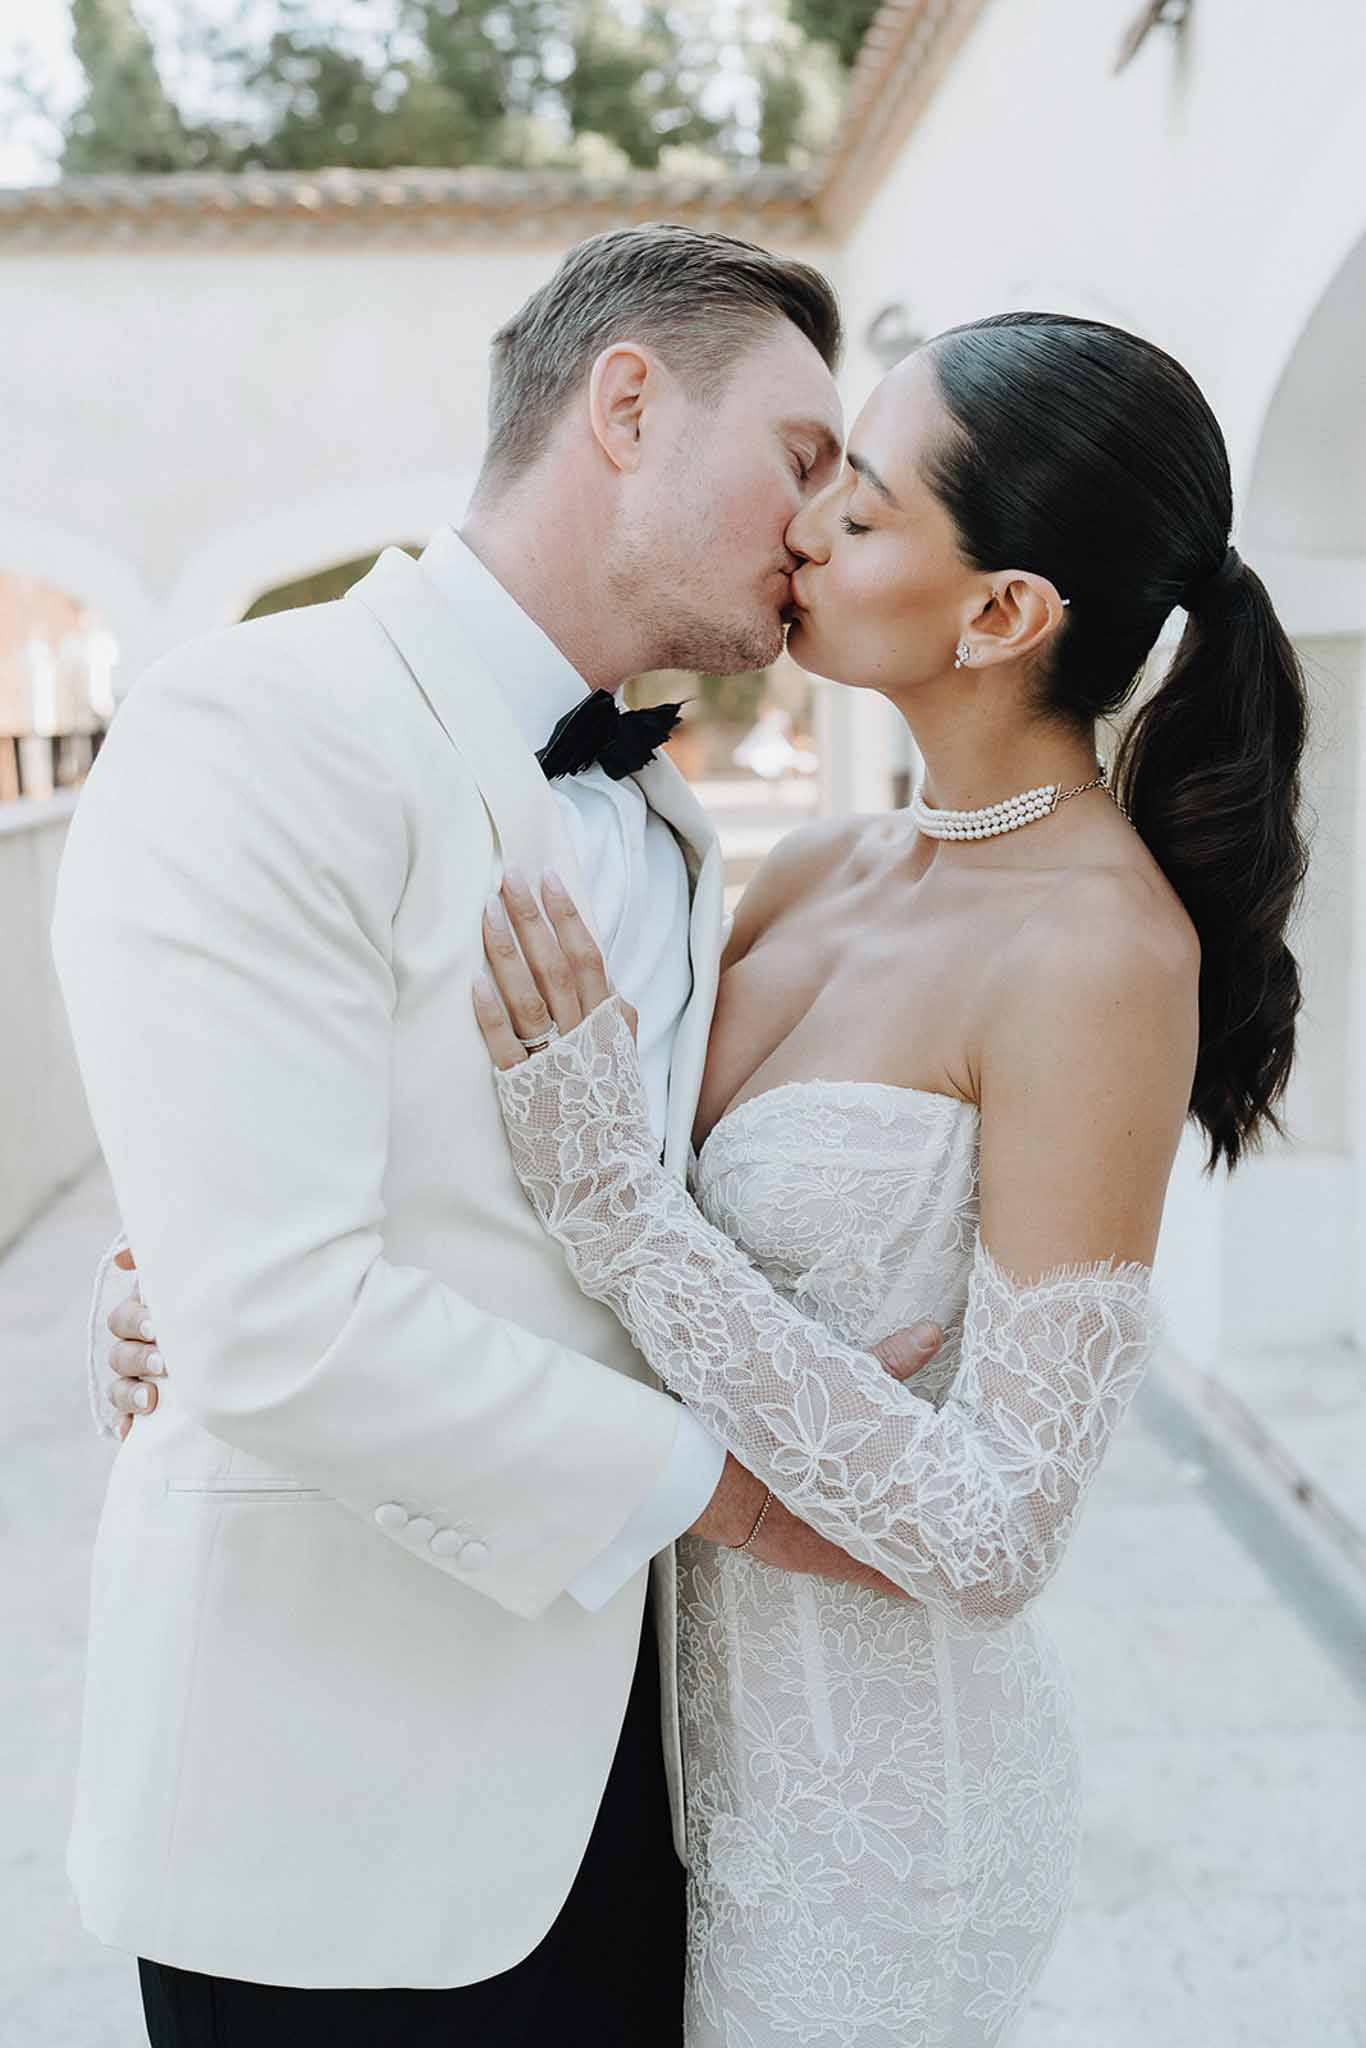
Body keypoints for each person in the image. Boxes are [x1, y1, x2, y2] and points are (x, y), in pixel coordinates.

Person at [96, 310, 1309, 2045]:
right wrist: (202, 1257)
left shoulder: (1098, 954)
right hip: (656, 1772)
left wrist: (626, 1222)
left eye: (861, 505)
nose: (804, 530)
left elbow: (995, 1531)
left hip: (881, 1823)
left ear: (999, 615)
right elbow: (496, 1156)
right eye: (811, 476)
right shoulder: (803, 862)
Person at [55, 224, 947, 2048]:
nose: (813, 527)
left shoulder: (677, 828)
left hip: (635, 1779)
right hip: (322, 1808)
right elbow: (280, 1317)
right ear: (625, 405)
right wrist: (750, 1497)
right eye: (795, 458)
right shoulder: (255, 721)